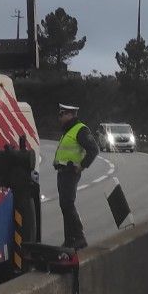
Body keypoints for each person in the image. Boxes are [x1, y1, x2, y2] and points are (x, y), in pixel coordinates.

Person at [53, 103, 99, 249]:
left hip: (70, 172)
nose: (60, 117)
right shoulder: (69, 130)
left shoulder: (80, 129)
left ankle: (79, 237)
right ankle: (69, 240)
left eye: (62, 114)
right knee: (65, 206)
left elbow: (94, 149)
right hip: (62, 172)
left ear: (70, 115)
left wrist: (82, 165)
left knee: (68, 204)